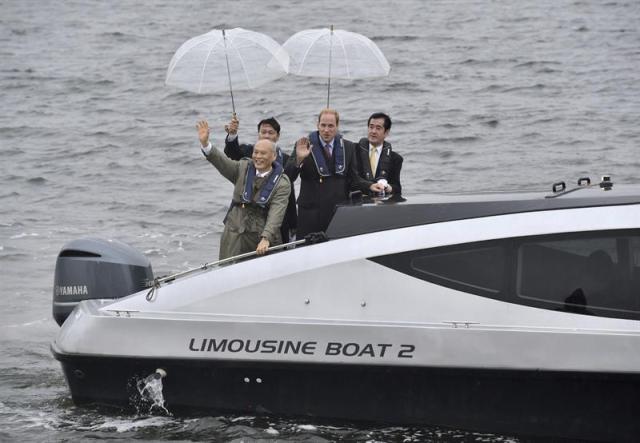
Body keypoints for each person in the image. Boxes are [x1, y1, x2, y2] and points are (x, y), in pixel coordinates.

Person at [196, 120, 291, 260]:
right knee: (227, 270)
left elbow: (277, 212)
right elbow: (222, 162)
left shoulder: (282, 183)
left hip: (260, 236)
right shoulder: (243, 168)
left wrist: (266, 238)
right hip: (234, 232)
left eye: (263, 153)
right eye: (256, 152)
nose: (258, 157)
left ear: (274, 156)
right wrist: (206, 144)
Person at [284, 108, 381, 238]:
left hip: (337, 213)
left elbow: (354, 179)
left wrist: (369, 186)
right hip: (310, 215)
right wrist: (299, 159)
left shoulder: (348, 147)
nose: (326, 130)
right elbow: (287, 177)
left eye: (331, 126)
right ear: (317, 125)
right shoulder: (303, 145)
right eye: (323, 125)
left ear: (337, 126)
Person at [223, 115, 297, 243]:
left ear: (277, 136)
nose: (266, 136)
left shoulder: (285, 158)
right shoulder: (249, 152)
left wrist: (299, 159)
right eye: (263, 132)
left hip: (277, 216)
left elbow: (289, 181)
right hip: (247, 219)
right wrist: (232, 135)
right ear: (258, 135)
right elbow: (232, 153)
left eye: (271, 132)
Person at [354, 112, 403, 196]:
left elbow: (397, 188)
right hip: (358, 202)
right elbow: (351, 180)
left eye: (378, 128)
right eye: (371, 127)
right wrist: (369, 186)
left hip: (381, 204)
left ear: (386, 132)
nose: (373, 131)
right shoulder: (353, 151)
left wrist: (387, 187)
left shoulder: (396, 159)